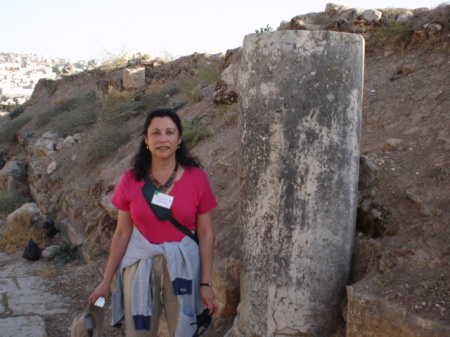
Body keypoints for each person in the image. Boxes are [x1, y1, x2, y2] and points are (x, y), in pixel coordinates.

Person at [88, 108, 218, 337]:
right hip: (140, 266)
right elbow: (121, 233)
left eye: (169, 132)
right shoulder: (130, 180)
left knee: (183, 327)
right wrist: (106, 282)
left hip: (184, 267)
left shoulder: (197, 178)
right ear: (146, 140)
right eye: (155, 133)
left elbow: (206, 233)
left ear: (179, 139)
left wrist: (206, 284)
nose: (163, 139)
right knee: (140, 330)